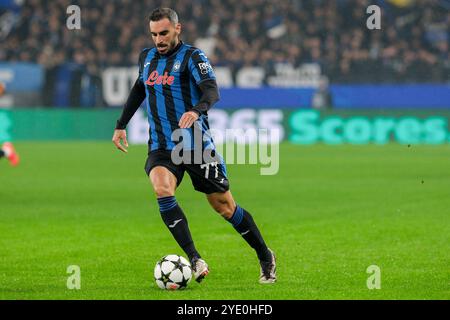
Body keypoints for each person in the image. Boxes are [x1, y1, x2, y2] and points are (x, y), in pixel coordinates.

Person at [112, 7, 276, 284]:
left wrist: (197, 110)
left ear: (178, 28)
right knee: (162, 189)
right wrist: (121, 124)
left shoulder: (193, 57)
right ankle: (195, 258)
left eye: (163, 33)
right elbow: (140, 89)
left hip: (196, 145)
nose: (158, 40)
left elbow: (212, 90)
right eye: (153, 34)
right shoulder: (147, 57)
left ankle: (264, 255)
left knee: (224, 207)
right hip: (162, 146)